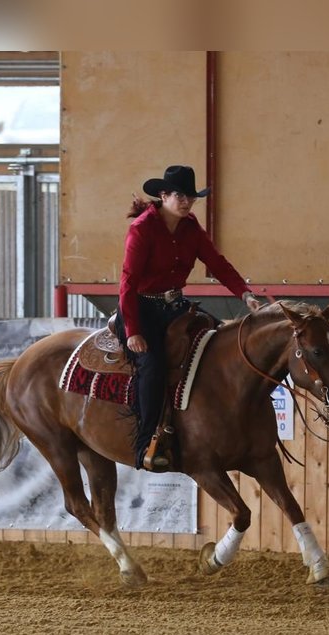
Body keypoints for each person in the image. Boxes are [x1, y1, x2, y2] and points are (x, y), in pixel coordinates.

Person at [117, 164, 265, 472]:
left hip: (174, 306)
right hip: (141, 309)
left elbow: (218, 263)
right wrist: (133, 330)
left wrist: (245, 294)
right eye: (180, 196)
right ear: (164, 195)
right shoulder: (142, 229)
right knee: (153, 366)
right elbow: (128, 283)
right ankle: (146, 443)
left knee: (218, 338)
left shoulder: (191, 228)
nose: (187, 203)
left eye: (191, 198)